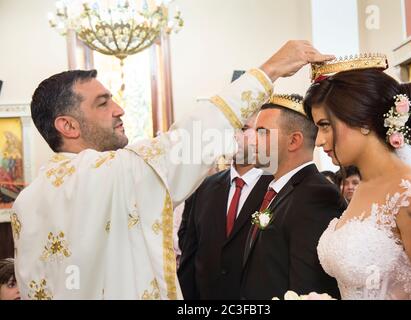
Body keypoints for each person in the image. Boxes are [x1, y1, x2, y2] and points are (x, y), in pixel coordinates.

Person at [12, 40, 334, 300]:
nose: (119, 109)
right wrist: (271, 69)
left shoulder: (27, 201)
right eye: (102, 103)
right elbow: (190, 139)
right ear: (67, 125)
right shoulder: (110, 174)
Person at [304, 62, 411, 299]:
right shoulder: (365, 185)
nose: (319, 140)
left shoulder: (409, 194)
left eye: (325, 126)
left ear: (363, 122)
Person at [240, 94, 346, 300]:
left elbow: (307, 287)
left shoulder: (315, 195)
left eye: (262, 133)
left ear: (294, 141)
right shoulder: (276, 188)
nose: (252, 141)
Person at [177, 114, 273, 300]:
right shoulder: (203, 187)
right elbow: (190, 256)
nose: (233, 134)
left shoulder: (277, 186)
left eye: (244, 128)